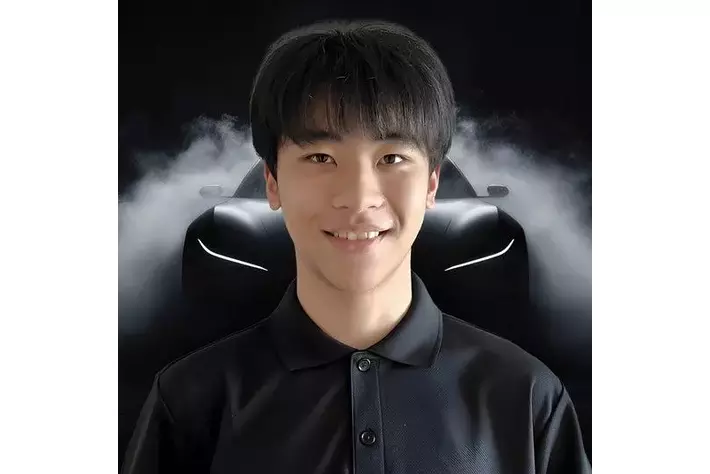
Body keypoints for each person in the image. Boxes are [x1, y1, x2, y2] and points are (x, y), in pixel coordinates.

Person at [122, 19, 591, 474]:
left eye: (392, 157)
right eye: (320, 157)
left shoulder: (528, 398)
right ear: (273, 181)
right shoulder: (188, 405)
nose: (360, 197)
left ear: (431, 183)